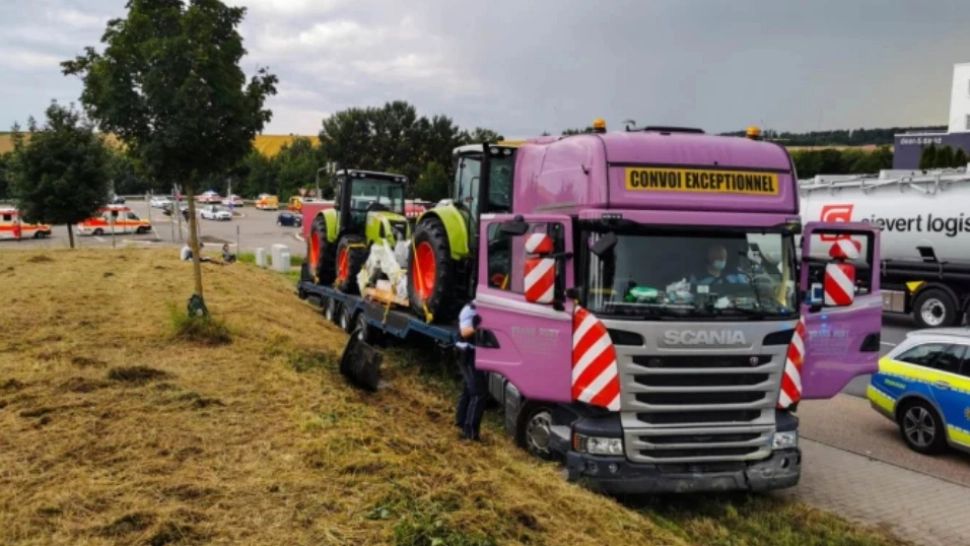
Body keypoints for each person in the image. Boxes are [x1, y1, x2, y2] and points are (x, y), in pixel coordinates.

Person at [455, 302, 486, 441]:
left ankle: (461, 422)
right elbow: (464, 332)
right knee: (478, 393)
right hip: (466, 354)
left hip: (472, 353)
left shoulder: (481, 309)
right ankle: (470, 432)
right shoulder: (469, 309)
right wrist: (476, 326)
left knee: (468, 389)